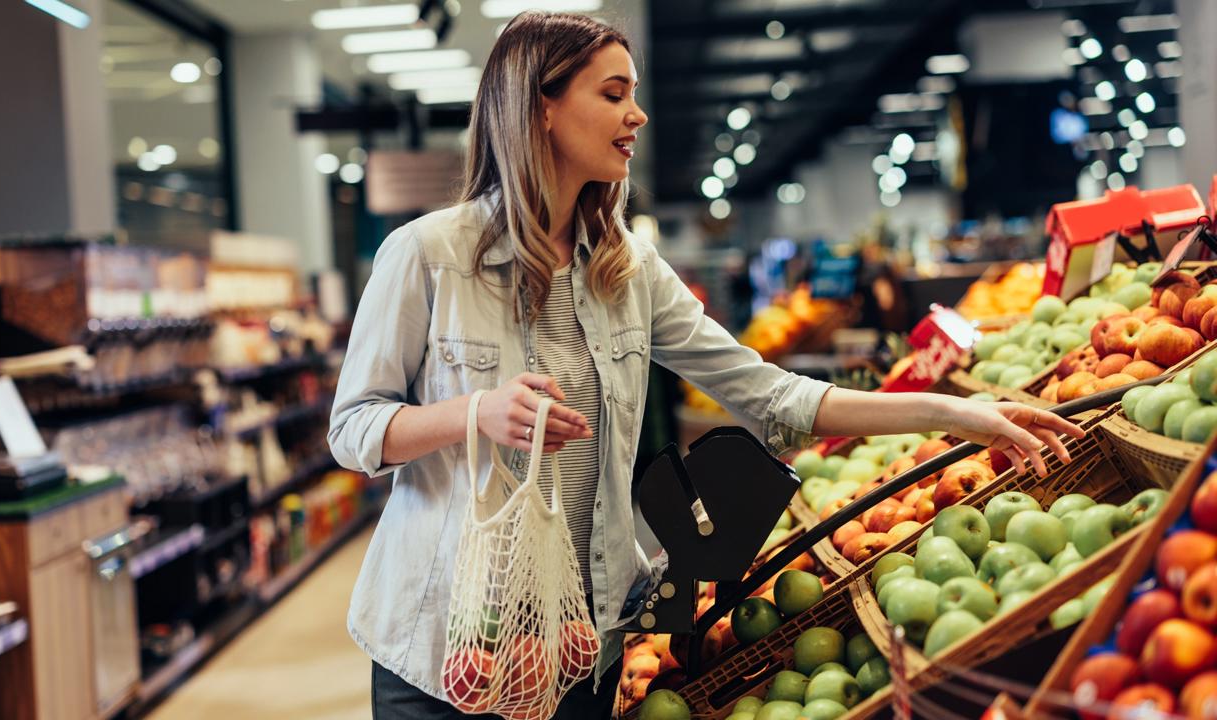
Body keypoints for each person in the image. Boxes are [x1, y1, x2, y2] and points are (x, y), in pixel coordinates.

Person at [328, 11, 1085, 719]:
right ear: (541, 109)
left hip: (582, 651)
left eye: (636, 94)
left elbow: (772, 394)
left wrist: (955, 414)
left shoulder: (627, 272)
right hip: (449, 653)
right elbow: (353, 429)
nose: (638, 115)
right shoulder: (429, 255)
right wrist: (474, 414)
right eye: (614, 93)